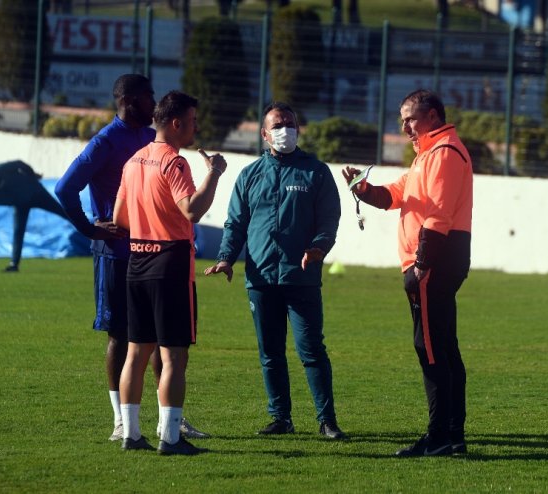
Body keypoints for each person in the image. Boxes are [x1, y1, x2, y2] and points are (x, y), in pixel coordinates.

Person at [55, 74, 208, 443]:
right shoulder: (107, 141)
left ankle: (162, 420)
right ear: (130, 99)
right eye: (148, 96)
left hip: (142, 252)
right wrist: (91, 229)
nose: (152, 102)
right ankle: (126, 421)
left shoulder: (144, 144)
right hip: (125, 254)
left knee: (150, 342)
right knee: (125, 337)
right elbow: (64, 187)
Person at [204, 102, 346, 440]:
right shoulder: (250, 175)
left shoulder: (316, 172)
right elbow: (235, 223)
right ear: (265, 134)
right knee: (270, 353)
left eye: (290, 124)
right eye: (278, 125)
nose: (286, 130)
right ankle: (281, 417)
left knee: (311, 350)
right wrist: (226, 257)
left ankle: (327, 421)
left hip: (302, 277)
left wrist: (318, 247)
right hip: (261, 278)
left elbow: (329, 218)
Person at [342, 89, 472, 457]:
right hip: (439, 259)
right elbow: (397, 196)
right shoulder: (429, 154)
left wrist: (422, 263)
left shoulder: (443, 152)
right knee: (442, 348)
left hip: (434, 261)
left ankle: (440, 437)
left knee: (430, 348)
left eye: (410, 118)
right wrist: (362, 189)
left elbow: (438, 214)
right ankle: (452, 435)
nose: (404, 126)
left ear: (432, 116)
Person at [112, 90, 226, 455]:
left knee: (136, 353)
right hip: (170, 262)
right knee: (173, 355)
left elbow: (119, 220)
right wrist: (214, 175)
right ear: (176, 123)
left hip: (136, 261)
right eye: (192, 121)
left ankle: (131, 434)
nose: (195, 127)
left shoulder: (133, 161)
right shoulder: (174, 163)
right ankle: (171, 438)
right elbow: (192, 210)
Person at [0, 160, 68, 272]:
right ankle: (14, 265)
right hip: (20, 204)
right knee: (18, 231)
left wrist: (32, 175)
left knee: (63, 212)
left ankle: (88, 230)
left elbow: (19, 164)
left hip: (35, 192)